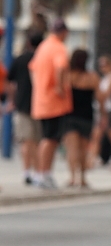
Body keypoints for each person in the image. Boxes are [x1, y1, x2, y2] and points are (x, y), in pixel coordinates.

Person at [28, 17, 73, 189]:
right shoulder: (58, 48)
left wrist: (39, 88)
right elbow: (61, 67)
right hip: (54, 103)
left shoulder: (43, 47)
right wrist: (60, 87)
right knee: (50, 139)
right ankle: (43, 173)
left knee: (47, 138)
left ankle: (42, 173)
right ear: (64, 32)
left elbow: (32, 68)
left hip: (41, 100)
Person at [6, 31, 44, 185]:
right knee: (37, 141)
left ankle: (26, 171)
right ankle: (37, 172)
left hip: (22, 104)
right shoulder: (42, 60)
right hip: (41, 104)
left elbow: (10, 83)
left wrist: (12, 100)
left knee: (25, 141)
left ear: (29, 43)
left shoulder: (20, 59)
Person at [63, 49, 100, 188]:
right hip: (87, 116)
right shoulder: (92, 77)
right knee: (83, 149)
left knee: (71, 149)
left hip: (70, 115)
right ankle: (83, 178)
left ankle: (72, 178)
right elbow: (100, 98)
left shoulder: (68, 76)